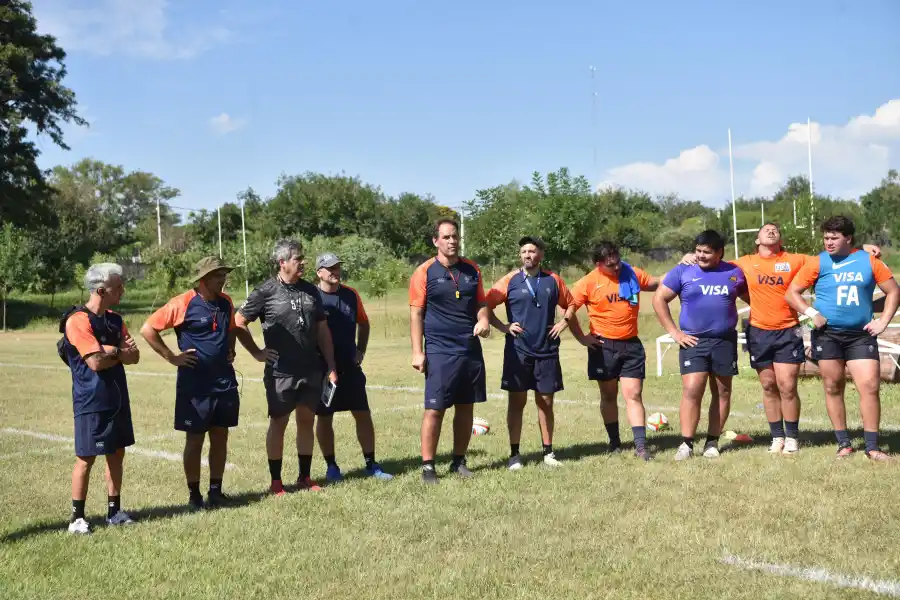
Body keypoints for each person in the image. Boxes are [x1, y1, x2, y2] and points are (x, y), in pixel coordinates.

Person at [680, 223, 881, 455]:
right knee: (768, 386)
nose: (771, 230)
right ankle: (777, 437)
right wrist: (689, 257)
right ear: (757, 240)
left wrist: (861, 248)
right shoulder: (743, 263)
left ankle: (792, 437)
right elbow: (714, 261)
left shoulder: (796, 260)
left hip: (788, 331)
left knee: (787, 386)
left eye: (775, 229)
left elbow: (831, 255)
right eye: (765, 229)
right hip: (759, 332)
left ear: (781, 239)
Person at [786, 216, 899, 461]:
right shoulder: (818, 262)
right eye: (826, 238)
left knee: (869, 386)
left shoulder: (868, 261)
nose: (828, 242)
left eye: (834, 238)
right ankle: (844, 443)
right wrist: (811, 313)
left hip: (861, 336)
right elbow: (792, 293)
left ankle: (872, 447)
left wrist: (883, 321)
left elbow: (893, 291)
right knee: (832, 386)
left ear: (848, 238)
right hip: (827, 335)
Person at [234, 239, 338, 495]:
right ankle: (276, 482)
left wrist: (331, 365)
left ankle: (305, 476)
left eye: (302, 258)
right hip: (281, 372)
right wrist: (257, 352)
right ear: (282, 263)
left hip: (310, 369)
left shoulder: (311, 290)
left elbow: (322, 330)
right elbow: (238, 322)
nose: (303, 262)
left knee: (306, 421)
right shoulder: (265, 291)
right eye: (297, 259)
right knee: (279, 423)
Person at [141, 257, 240, 510]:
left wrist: (231, 348)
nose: (223, 279)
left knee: (221, 436)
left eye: (224, 274)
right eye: (218, 275)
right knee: (195, 439)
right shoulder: (182, 303)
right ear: (204, 279)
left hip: (224, 381)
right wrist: (172, 357)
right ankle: (194, 495)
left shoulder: (226, 302)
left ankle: (215, 491)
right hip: (195, 384)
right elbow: (148, 329)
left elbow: (231, 328)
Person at [653, 230, 748, 461]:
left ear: (719, 252)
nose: (701, 256)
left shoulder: (734, 272)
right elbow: (659, 299)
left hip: (724, 340)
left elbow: (754, 299)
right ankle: (686, 444)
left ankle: (712, 442)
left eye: (707, 252)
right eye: (698, 251)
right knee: (692, 389)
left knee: (722, 391)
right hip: (693, 341)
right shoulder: (683, 271)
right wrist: (675, 332)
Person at [409, 218, 491, 483]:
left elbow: (481, 303)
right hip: (439, 349)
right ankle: (428, 467)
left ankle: (459, 461)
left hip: (469, 348)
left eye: (454, 236)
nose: (452, 241)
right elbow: (416, 313)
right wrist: (417, 351)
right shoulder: (424, 271)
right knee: (435, 409)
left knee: (466, 407)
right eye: (446, 237)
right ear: (435, 241)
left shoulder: (472, 269)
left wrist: (484, 320)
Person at [60, 263, 140, 534]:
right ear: (101, 290)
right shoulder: (77, 320)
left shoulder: (116, 320)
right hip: (91, 400)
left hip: (117, 398)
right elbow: (94, 362)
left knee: (117, 454)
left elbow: (134, 356)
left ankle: (114, 512)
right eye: (118, 287)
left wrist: (111, 351)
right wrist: (117, 352)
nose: (123, 291)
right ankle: (77, 518)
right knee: (86, 458)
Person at [486, 236, 574, 470]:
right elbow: (485, 305)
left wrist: (564, 322)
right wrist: (504, 327)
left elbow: (572, 303)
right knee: (517, 402)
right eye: (524, 251)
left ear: (541, 255)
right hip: (518, 351)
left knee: (546, 402)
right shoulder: (509, 280)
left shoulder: (553, 279)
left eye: (532, 251)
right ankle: (514, 454)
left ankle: (548, 452)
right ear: (520, 255)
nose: (528, 255)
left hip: (547, 350)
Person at [567, 241, 661, 461]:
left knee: (634, 394)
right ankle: (615, 442)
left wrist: (683, 267)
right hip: (603, 347)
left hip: (631, 344)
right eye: (611, 265)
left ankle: (641, 447)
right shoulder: (588, 282)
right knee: (609, 395)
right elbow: (569, 310)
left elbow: (657, 282)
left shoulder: (631, 273)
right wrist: (582, 338)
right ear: (598, 264)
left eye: (618, 262)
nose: (617, 267)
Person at [314, 252, 392, 481]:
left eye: (337, 267)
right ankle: (331, 466)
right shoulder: (312, 297)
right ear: (319, 273)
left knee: (363, 414)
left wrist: (360, 351)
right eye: (330, 268)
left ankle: (371, 463)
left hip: (350, 367)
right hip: (322, 371)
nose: (335, 272)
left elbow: (364, 324)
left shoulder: (350, 294)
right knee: (324, 417)